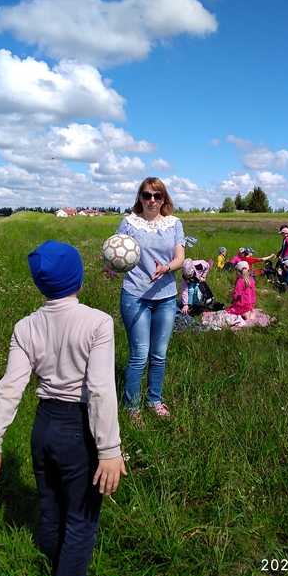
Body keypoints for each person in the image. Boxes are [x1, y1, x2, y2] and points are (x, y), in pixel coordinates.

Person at [0, 241, 126, 576]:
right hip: (78, 430)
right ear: (79, 279)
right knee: (81, 521)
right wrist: (109, 450)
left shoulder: (25, 327)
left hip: (43, 427)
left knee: (50, 503)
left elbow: (9, 388)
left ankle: (51, 559)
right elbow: (101, 390)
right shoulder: (98, 323)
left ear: (40, 284)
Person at [117, 177, 185, 421]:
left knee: (159, 354)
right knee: (139, 354)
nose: (152, 200)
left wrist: (167, 268)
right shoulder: (129, 223)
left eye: (157, 196)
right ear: (140, 197)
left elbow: (180, 258)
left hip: (166, 298)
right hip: (135, 296)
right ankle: (132, 407)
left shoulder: (174, 223)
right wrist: (111, 267)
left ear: (164, 198)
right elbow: (118, 252)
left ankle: (154, 400)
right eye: (147, 195)